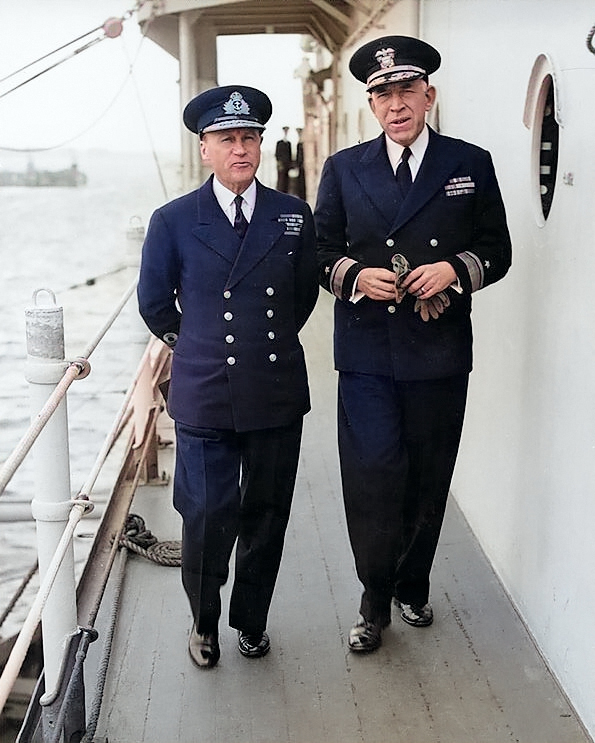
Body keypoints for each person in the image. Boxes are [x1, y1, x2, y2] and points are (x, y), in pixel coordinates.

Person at [314, 36, 512, 652]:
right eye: (382, 95)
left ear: (428, 95)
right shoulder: (345, 169)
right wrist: (354, 275)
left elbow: (498, 250)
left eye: (405, 91)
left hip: (439, 349)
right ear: (371, 106)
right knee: (373, 472)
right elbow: (319, 253)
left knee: (429, 474)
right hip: (368, 350)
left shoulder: (469, 162)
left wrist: (454, 269)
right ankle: (374, 600)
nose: (395, 105)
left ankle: (413, 583)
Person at [137, 85, 318, 669]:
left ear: (261, 144)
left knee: (266, 515)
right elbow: (154, 304)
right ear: (205, 148)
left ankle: (251, 621)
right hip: (206, 391)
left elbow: (301, 297)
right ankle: (203, 621)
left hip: (273, 388)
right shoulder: (173, 220)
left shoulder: (292, 216)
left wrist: (265, 342)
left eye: (249, 138)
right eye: (227, 139)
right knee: (209, 515)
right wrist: (196, 347)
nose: (240, 149)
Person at [275, 125, 292, 192]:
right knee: (281, 180)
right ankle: (280, 191)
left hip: (287, 164)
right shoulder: (279, 143)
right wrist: (279, 163)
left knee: (286, 180)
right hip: (281, 165)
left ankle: (285, 192)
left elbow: (289, 154)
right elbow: (277, 154)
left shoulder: (288, 143)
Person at [294, 127, 306, 200]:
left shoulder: (303, 143)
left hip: (302, 165)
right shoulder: (299, 144)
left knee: (302, 182)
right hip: (298, 164)